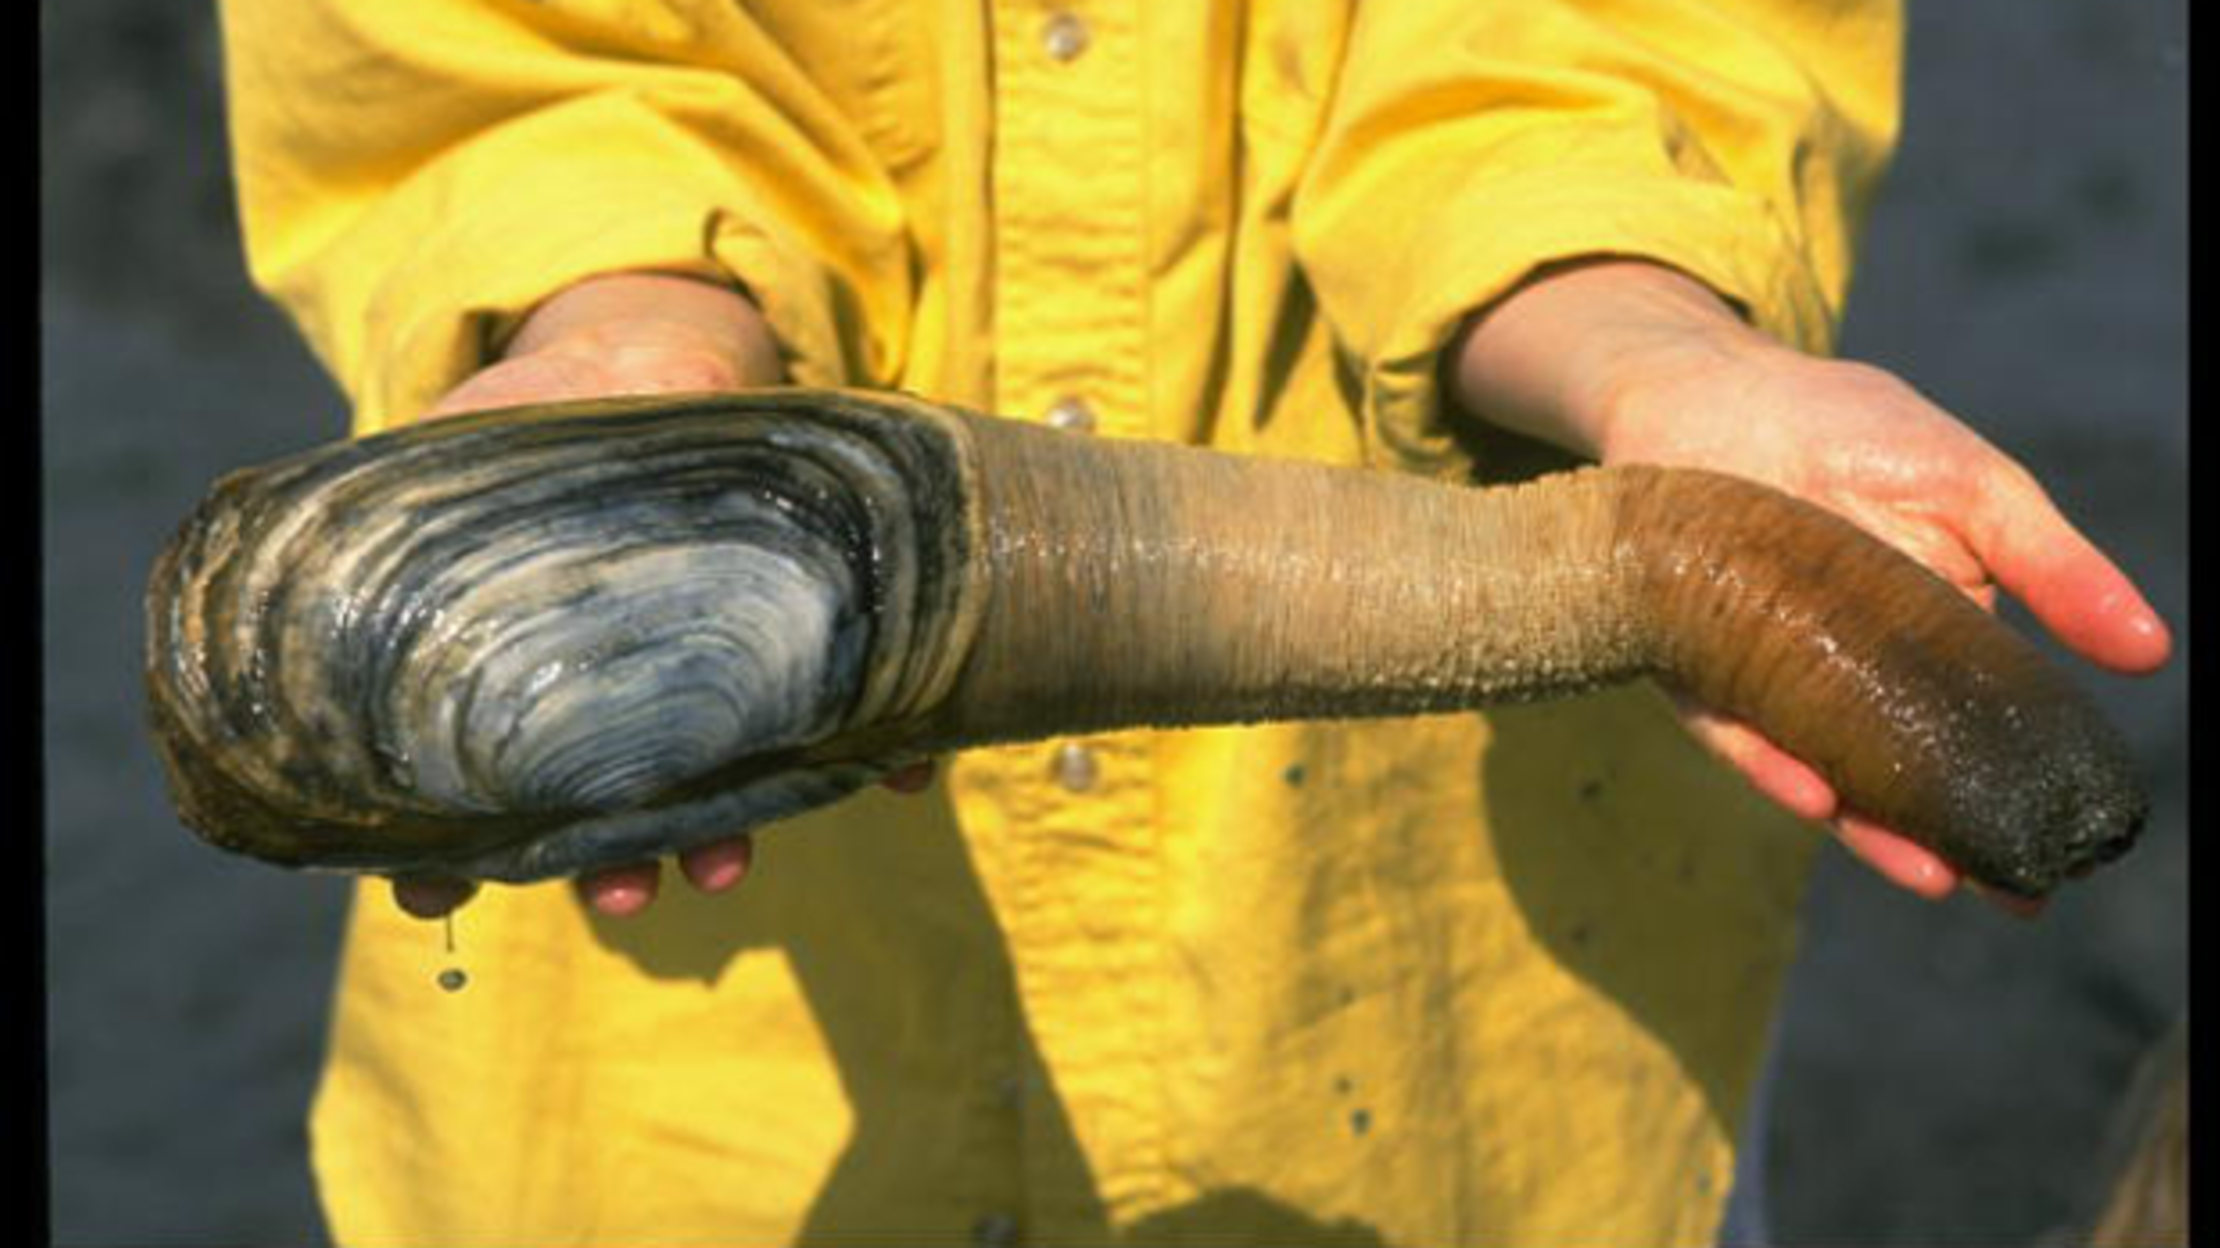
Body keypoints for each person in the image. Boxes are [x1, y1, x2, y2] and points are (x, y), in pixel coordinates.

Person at [216, 2, 2171, 1244]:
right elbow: (475, 61)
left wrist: (1645, 344)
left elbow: (1614, 40)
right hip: (703, 1122)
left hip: (1447, 1043)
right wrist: (628, 336)